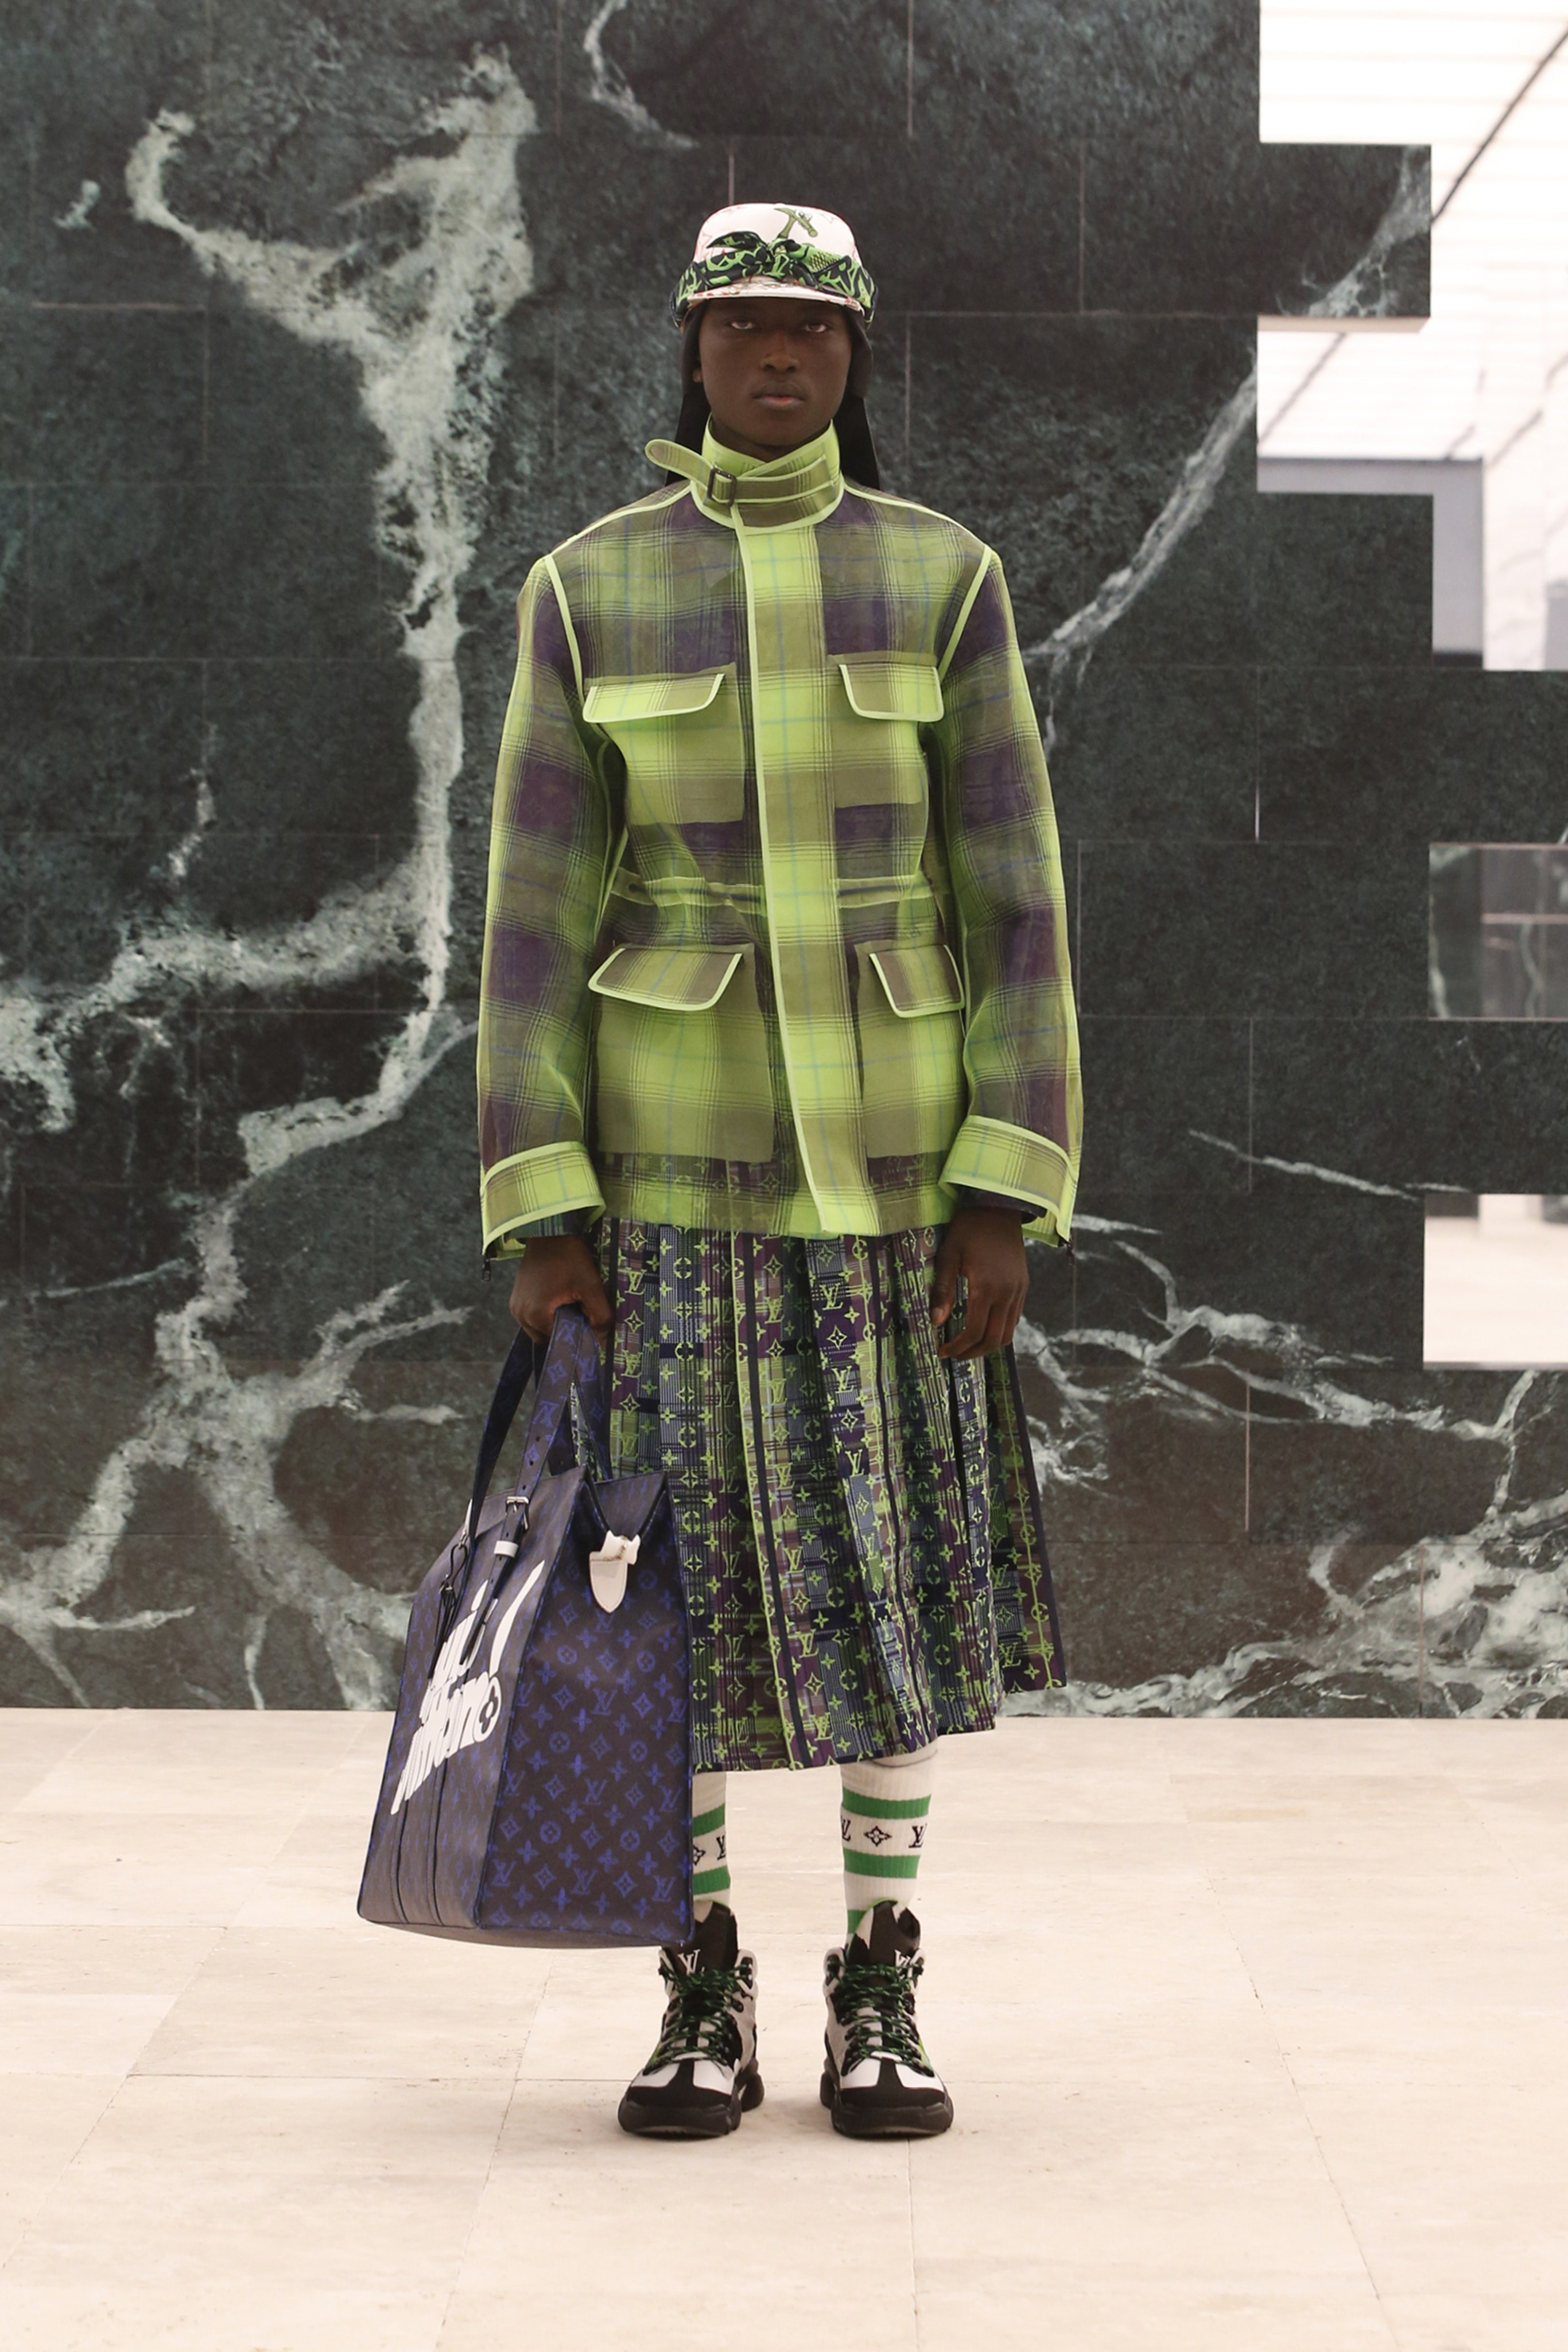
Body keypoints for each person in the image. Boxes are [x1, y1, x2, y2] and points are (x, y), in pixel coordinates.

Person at [476, 203, 1081, 2140]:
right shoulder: (586, 588)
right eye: (741, 324)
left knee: (890, 1593)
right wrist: (539, 1211)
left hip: (898, 1196)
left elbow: (1015, 900)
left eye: (810, 330)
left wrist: (1001, 1186)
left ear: (853, 355)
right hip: (667, 1194)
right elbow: (528, 921)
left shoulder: (943, 577)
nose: (775, 355)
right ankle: (701, 1979)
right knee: (670, 1602)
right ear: (692, 345)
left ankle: (879, 1979)